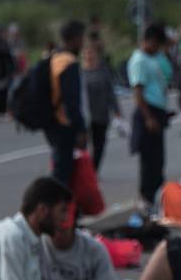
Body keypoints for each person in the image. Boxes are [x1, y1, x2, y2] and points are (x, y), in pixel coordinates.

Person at [127, 22, 173, 210]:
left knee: (158, 160)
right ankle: (147, 199)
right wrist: (148, 117)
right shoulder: (139, 60)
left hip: (157, 110)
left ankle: (157, 196)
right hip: (148, 112)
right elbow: (138, 90)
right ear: (150, 41)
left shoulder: (153, 57)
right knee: (149, 161)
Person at [44, 21, 88, 185]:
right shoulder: (68, 62)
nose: (83, 43)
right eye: (81, 38)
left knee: (60, 170)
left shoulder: (54, 57)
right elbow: (72, 101)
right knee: (63, 175)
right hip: (64, 125)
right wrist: (81, 130)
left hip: (53, 121)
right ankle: (58, 207)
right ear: (75, 38)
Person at [79, 33, 119, 171]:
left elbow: (110, 92)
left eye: (91, 52)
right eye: (86, 52)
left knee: (99, 145)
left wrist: (117, 110)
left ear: (96, 54)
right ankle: (84, 172)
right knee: (82, 145)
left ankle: (93, 170)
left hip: (101, 114)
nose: (88, 55)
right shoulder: (79, 71)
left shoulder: (103, 71)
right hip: (85, 115)